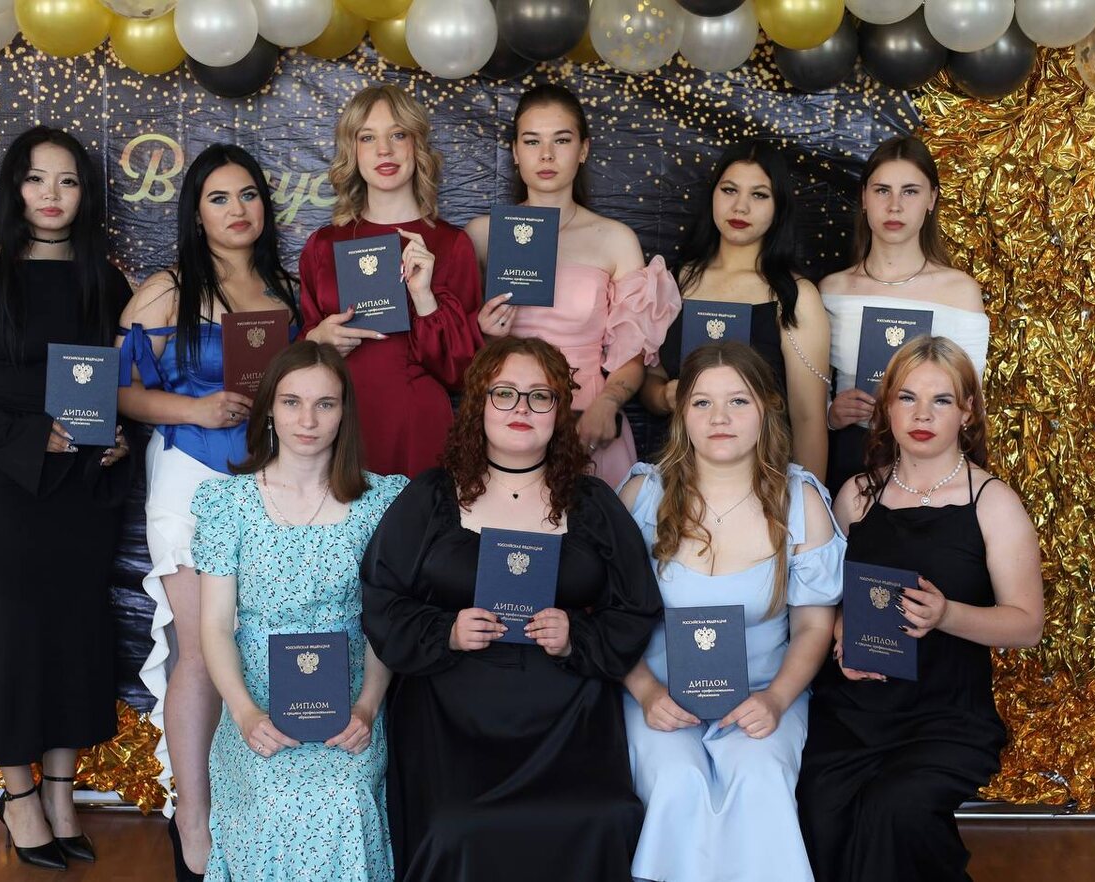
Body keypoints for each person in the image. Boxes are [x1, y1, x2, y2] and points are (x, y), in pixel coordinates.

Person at [361, 336, 662, 882]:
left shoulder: (593, 503)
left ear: (559, 410)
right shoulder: (430, 497)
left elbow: (636, 608)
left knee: (607, 815)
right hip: (451, 716)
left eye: (539, 396)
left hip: (568, 719)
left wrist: (577, 635)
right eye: (504, 393)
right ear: (478, 404)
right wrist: (447, 630)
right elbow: (382, 601)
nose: (521, 408)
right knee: (455, 827)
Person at [0, 125, 133, 870]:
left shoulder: (108, 283)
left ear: (85, 194)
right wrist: (20, 436)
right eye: (37, 179)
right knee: (15, 636)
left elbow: (130, 382)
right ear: (15, 189)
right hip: (8, 490)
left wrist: (123, 439)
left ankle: (61, 794)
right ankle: (17, 798)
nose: (51, 194)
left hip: (85, 490)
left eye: (67, 180)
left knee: (77, 633)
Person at [115, 144, 300, 879]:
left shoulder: (283, 290)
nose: (237, 210)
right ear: (195, 212)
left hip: (267, 482)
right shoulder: (168, 288)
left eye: (248, 194)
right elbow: (119, 390)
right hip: (189, 476)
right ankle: (191, 820)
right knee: (198, 647)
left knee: (253, 642)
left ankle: (250, 812)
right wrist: (194, 407)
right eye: (219, 198)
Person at [797, 335, 1044, 882]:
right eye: (907, 398)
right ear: (887, 407)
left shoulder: (992, 502)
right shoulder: (856, 495)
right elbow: (827, 599)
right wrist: (840, 632)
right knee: (820, 799)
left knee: (896, 809)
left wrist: (946, 614)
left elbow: (1027, 624)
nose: (922, 415)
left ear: (967, 411)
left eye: (941, 400)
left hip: (945, 717)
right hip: (854, 710)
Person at [619, 341, 843, 882]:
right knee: (677, 781)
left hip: (765, 692)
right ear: (681, 414)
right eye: (702, 402)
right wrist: (646, 693)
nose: (719, 418)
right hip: (659, 695)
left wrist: (776, 699)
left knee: (758, 777)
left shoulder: (800, 500)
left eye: (738, 401)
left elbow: (813, 625)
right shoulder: (643, 494)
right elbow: (606, 615)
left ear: (766, 408)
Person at [195, 341, 404, 880]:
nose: (307, 420)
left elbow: (384, 623)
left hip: (351, 697)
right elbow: (214, 627)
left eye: (324, 404)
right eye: (292, 402)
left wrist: (368, 707)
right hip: (256, 695)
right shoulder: (228, 503)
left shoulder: (380, 502)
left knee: (345, 797)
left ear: (344, 412)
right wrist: (245, 713)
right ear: (269, 407)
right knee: (271, 799)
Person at [467, 84, 681, 489]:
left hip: (588, 421)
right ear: (515, 152)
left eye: (561, 140)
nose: (546, 155)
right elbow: (453, 344)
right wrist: (483, 333)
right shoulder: (482, 235)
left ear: (583, 149)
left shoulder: (615, 239)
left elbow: (633, 353)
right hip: (505, 417)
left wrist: (608, 402)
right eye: (532, 141)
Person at [300, 83, 483, 477]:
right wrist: (317, 340)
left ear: (417, 146)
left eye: (398, 135)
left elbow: (463, 373)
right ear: (352, 151)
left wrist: (424, 299)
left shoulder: (452, 245)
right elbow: (296, 364)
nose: (384, 150)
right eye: (368, 137)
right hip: (337, 426)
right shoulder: (323, 245)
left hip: (417, 428)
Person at [641, 141, 831, 480]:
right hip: (678, 476)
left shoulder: (794, 296)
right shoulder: (675, 280)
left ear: (779, 206)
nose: (740, 206)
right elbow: (651, 381)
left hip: (761, 481)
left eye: (759, 195)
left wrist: (807, 498)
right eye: (729, 190)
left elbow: (808, 419)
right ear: (712, 195)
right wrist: (663, 396)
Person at [821, 135, 989, 496]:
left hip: (933, 466)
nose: (894, 206)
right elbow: (808, 391)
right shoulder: (832, 290)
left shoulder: (960, 291)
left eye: (910, 191)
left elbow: (970, 397)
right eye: (882, 190)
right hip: (850, 458)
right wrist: (831, 414)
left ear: (932, 199)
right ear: (864, 198)